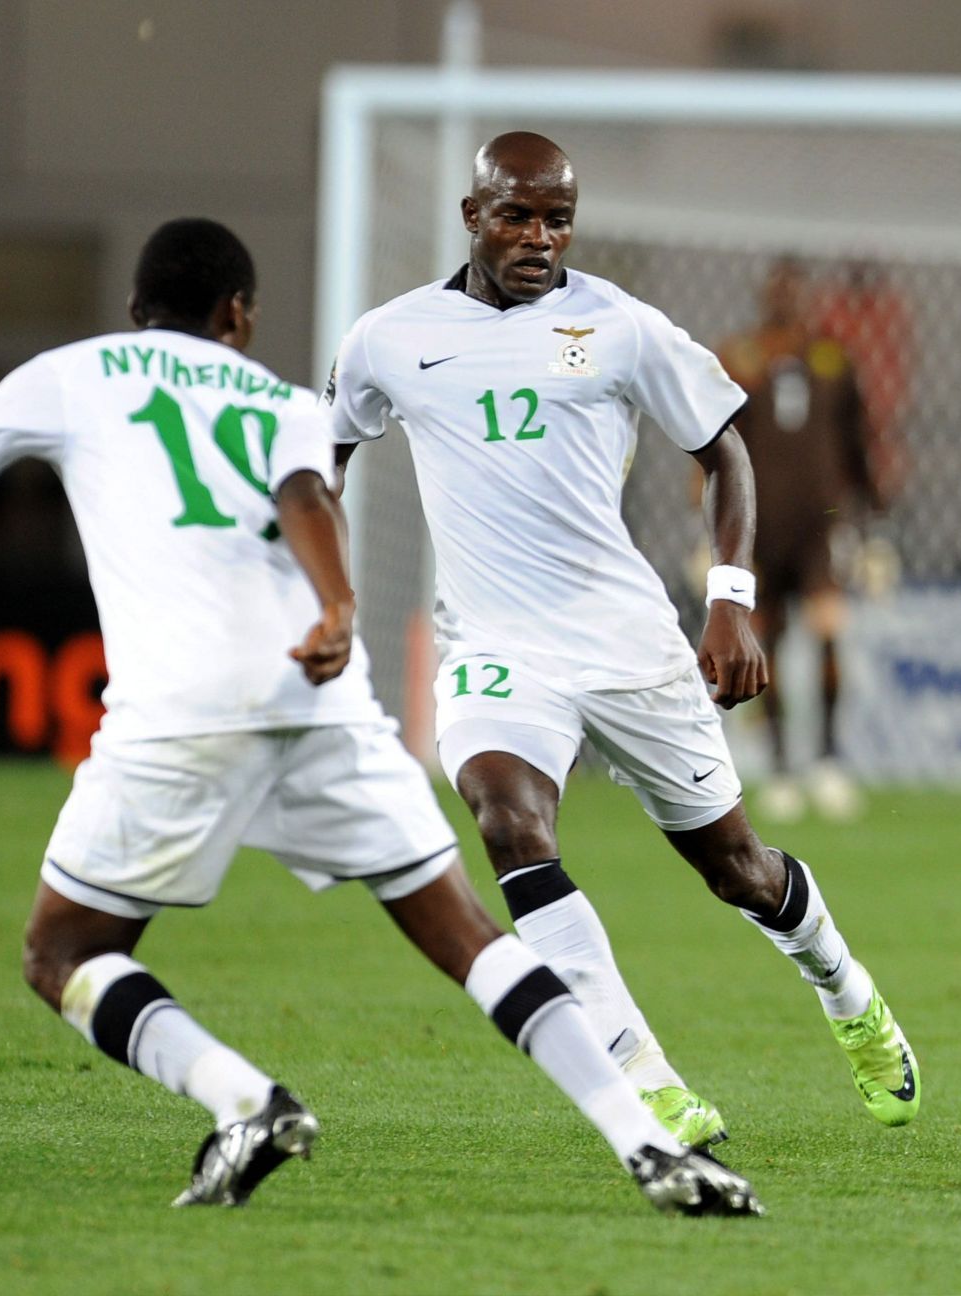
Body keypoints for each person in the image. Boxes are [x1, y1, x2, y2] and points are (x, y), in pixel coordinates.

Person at [0, 218, 759, 1217]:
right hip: (323, 700)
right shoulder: (280, 399)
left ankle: (243, 1100)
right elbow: (309, 498)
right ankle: (652, 1147)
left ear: (136, 312)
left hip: (179, 708)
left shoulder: (68, 373)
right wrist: (338, 611)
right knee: (471, 938)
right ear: (241, 317)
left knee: (65, 952)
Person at [326, 133, 920, 1150]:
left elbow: (724, 450)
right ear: (472, 216)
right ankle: (645, 1077)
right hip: (495, 646)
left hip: (626, 642)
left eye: (558, 218)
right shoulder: (388, 337)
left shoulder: (618, 326)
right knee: (510, 822)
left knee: (736, 867)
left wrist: (729, 598)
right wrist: (314, 592)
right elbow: (320, 458)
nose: (539, 237)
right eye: (517, 215)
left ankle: (845, 987)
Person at [717, 258, 883, 822]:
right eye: (777, 289)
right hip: (754, 526)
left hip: (821, 524)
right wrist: (705, 525)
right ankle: (783, 766)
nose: (785, 299)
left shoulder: (832, 361)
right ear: (762, 294)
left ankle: (830, 761)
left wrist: (873, 524)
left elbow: (859, 444)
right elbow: (711, 446)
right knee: (766, 640)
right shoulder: (737, 359)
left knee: (828, 628)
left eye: (794, 289)